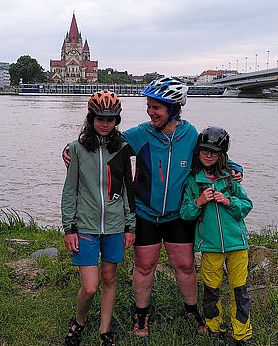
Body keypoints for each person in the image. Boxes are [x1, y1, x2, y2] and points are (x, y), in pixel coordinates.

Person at [62, 77, 243, 339]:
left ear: (173, 108)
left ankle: (192, 310)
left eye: (156, 107)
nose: (150, 112)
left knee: (185, 265)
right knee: (144, 266)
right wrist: (69, 148)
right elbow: (103, 140)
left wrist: (232, 167)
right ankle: (141, 314)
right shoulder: (140, 134)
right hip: (145, 212)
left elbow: (208, 153)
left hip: (178, 213)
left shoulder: (190, 134)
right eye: (149, 106)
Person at [61, 91, 136, 346]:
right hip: (85, 226)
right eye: (100, 118)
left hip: (115, 225)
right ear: (91, 118)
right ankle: (79, 321)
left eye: (111, 119)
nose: (105, 124)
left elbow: (127, 188)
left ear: (117, 120)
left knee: (109, 277)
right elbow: (70, 190)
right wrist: (68, 228)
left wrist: (130, 225)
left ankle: (105, 330)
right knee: (91, 286)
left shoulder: (123, 148)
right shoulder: (77, 148)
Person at [180, 126, 253, 346]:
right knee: (212, 291)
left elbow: (247, 205)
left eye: (214, 151)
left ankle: (242, 334)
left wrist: (229, 201)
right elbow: (185, 213)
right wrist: (199, 201)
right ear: (198, 151)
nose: (208, 155)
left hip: (237, 245)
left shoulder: (230, 180)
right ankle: (215, 329)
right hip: (210, 246)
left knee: (239, 290)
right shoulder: (193, 180)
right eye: (204, 150)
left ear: (222, 155)